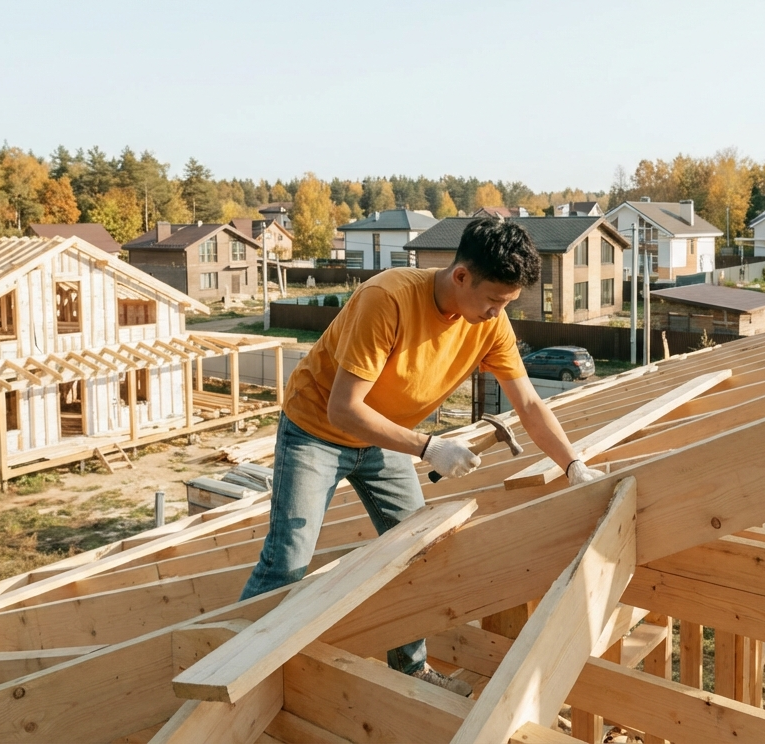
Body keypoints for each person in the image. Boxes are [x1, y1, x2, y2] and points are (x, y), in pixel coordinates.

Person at [239, 217, 603, 695]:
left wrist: (573, 465)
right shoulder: (387, 299)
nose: (498, 313)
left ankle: (411, 669)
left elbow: (531, 405)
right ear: (461, 276)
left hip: (384, 438)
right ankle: (235, 667)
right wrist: (430, 447)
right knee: (289, 558)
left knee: (416, 552)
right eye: (493, 300)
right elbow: (344, 409)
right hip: (318, 432)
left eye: (507, 304)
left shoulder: (490, 325)